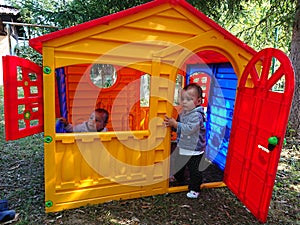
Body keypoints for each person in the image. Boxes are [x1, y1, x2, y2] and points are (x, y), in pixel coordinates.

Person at [164, 83, 206, 199]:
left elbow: (189, 129)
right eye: (183, 99)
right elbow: (178, 127)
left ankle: (195, 189)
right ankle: (179, 178)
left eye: (189, 99)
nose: (184, 102)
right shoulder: (183, 113)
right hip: (183, 146)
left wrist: (176, 124)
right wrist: (172, 126)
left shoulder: (197, 115)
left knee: (195, 171)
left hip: (195, 150)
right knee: (178, 165)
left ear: (198, 101)